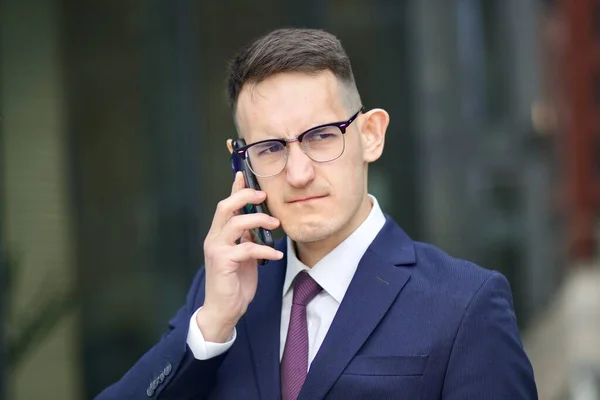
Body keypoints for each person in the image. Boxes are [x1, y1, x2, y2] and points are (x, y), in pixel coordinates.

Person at [96, 28, 537, 400]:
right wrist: (212, 324)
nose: (299, 172)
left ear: (370, 135)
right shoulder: (218, 297)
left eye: (322, 137)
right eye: (270, 148)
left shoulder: (464, 304)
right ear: (242, 162)